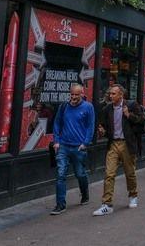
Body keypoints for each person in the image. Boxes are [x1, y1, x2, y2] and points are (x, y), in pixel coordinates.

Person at [93, 84, 145, 216]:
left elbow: (142, 121)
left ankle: (133, 195)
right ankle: (107, 204)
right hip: (113, 144)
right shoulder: (107, 109)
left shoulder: (132, 105)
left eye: (113, 94)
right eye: (110, 94)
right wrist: (103, 131)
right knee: (109, 174)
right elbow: (105, 127)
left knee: (130, 172)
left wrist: (129, 115)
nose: (111, 96)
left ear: (121, 95)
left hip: (127, 144)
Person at [50, 84, 95, 215]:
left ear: (82, 93)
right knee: (60, 174)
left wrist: (85, 143)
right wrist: (56, 141)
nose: (74, 97)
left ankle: (85, 194)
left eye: (77, 94)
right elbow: (57, 123)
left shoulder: (88, 107)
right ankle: (60, 205)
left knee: (80, 173)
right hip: (63, 146)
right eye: (72, 94)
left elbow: (90, 126)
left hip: (78, 147)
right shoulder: (63, 106)